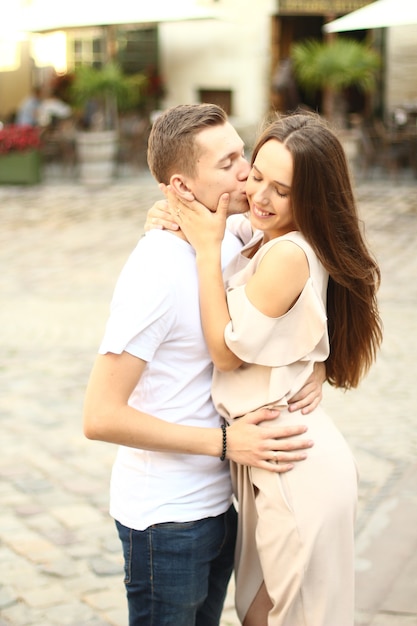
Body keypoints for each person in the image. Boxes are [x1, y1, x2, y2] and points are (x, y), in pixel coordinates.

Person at [83, 104, 324, 626]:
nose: (247, 172)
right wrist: (222, 444)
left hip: (221, 506)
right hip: (166, 520)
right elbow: (99, 416)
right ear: (183, 186)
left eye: (243, 153)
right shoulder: (156, 273)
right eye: (229, 162)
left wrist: (318, 364)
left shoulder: (229, 236)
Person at [164, 111, 383, 626]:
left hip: (295, 468)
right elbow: (202, 209)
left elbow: (226, 352)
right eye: (256, 175)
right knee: (261, 614)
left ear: (311, 197)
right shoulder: (268, 231)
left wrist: (205, 250)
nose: (259, 196)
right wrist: (169, 209)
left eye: (281, 189)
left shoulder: (286, 252)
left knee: (283, 617)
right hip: (276, 458)